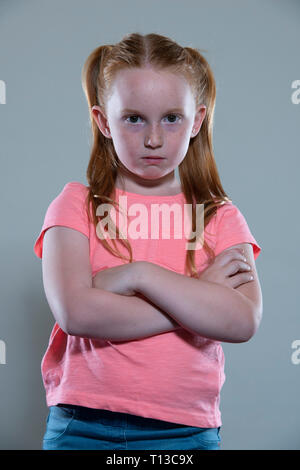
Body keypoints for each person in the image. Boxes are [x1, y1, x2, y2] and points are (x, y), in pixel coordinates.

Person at [33, 32, 263, 451]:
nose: (153, 138)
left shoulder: (219, 216)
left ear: (197, 120)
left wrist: (140, 275)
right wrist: (198, 297)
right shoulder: (76, 204)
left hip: (187, 433)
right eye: (134, 118)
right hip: (84, 427)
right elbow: (77, 313)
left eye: (172, 118)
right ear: (103, 121)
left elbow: (241, 321)